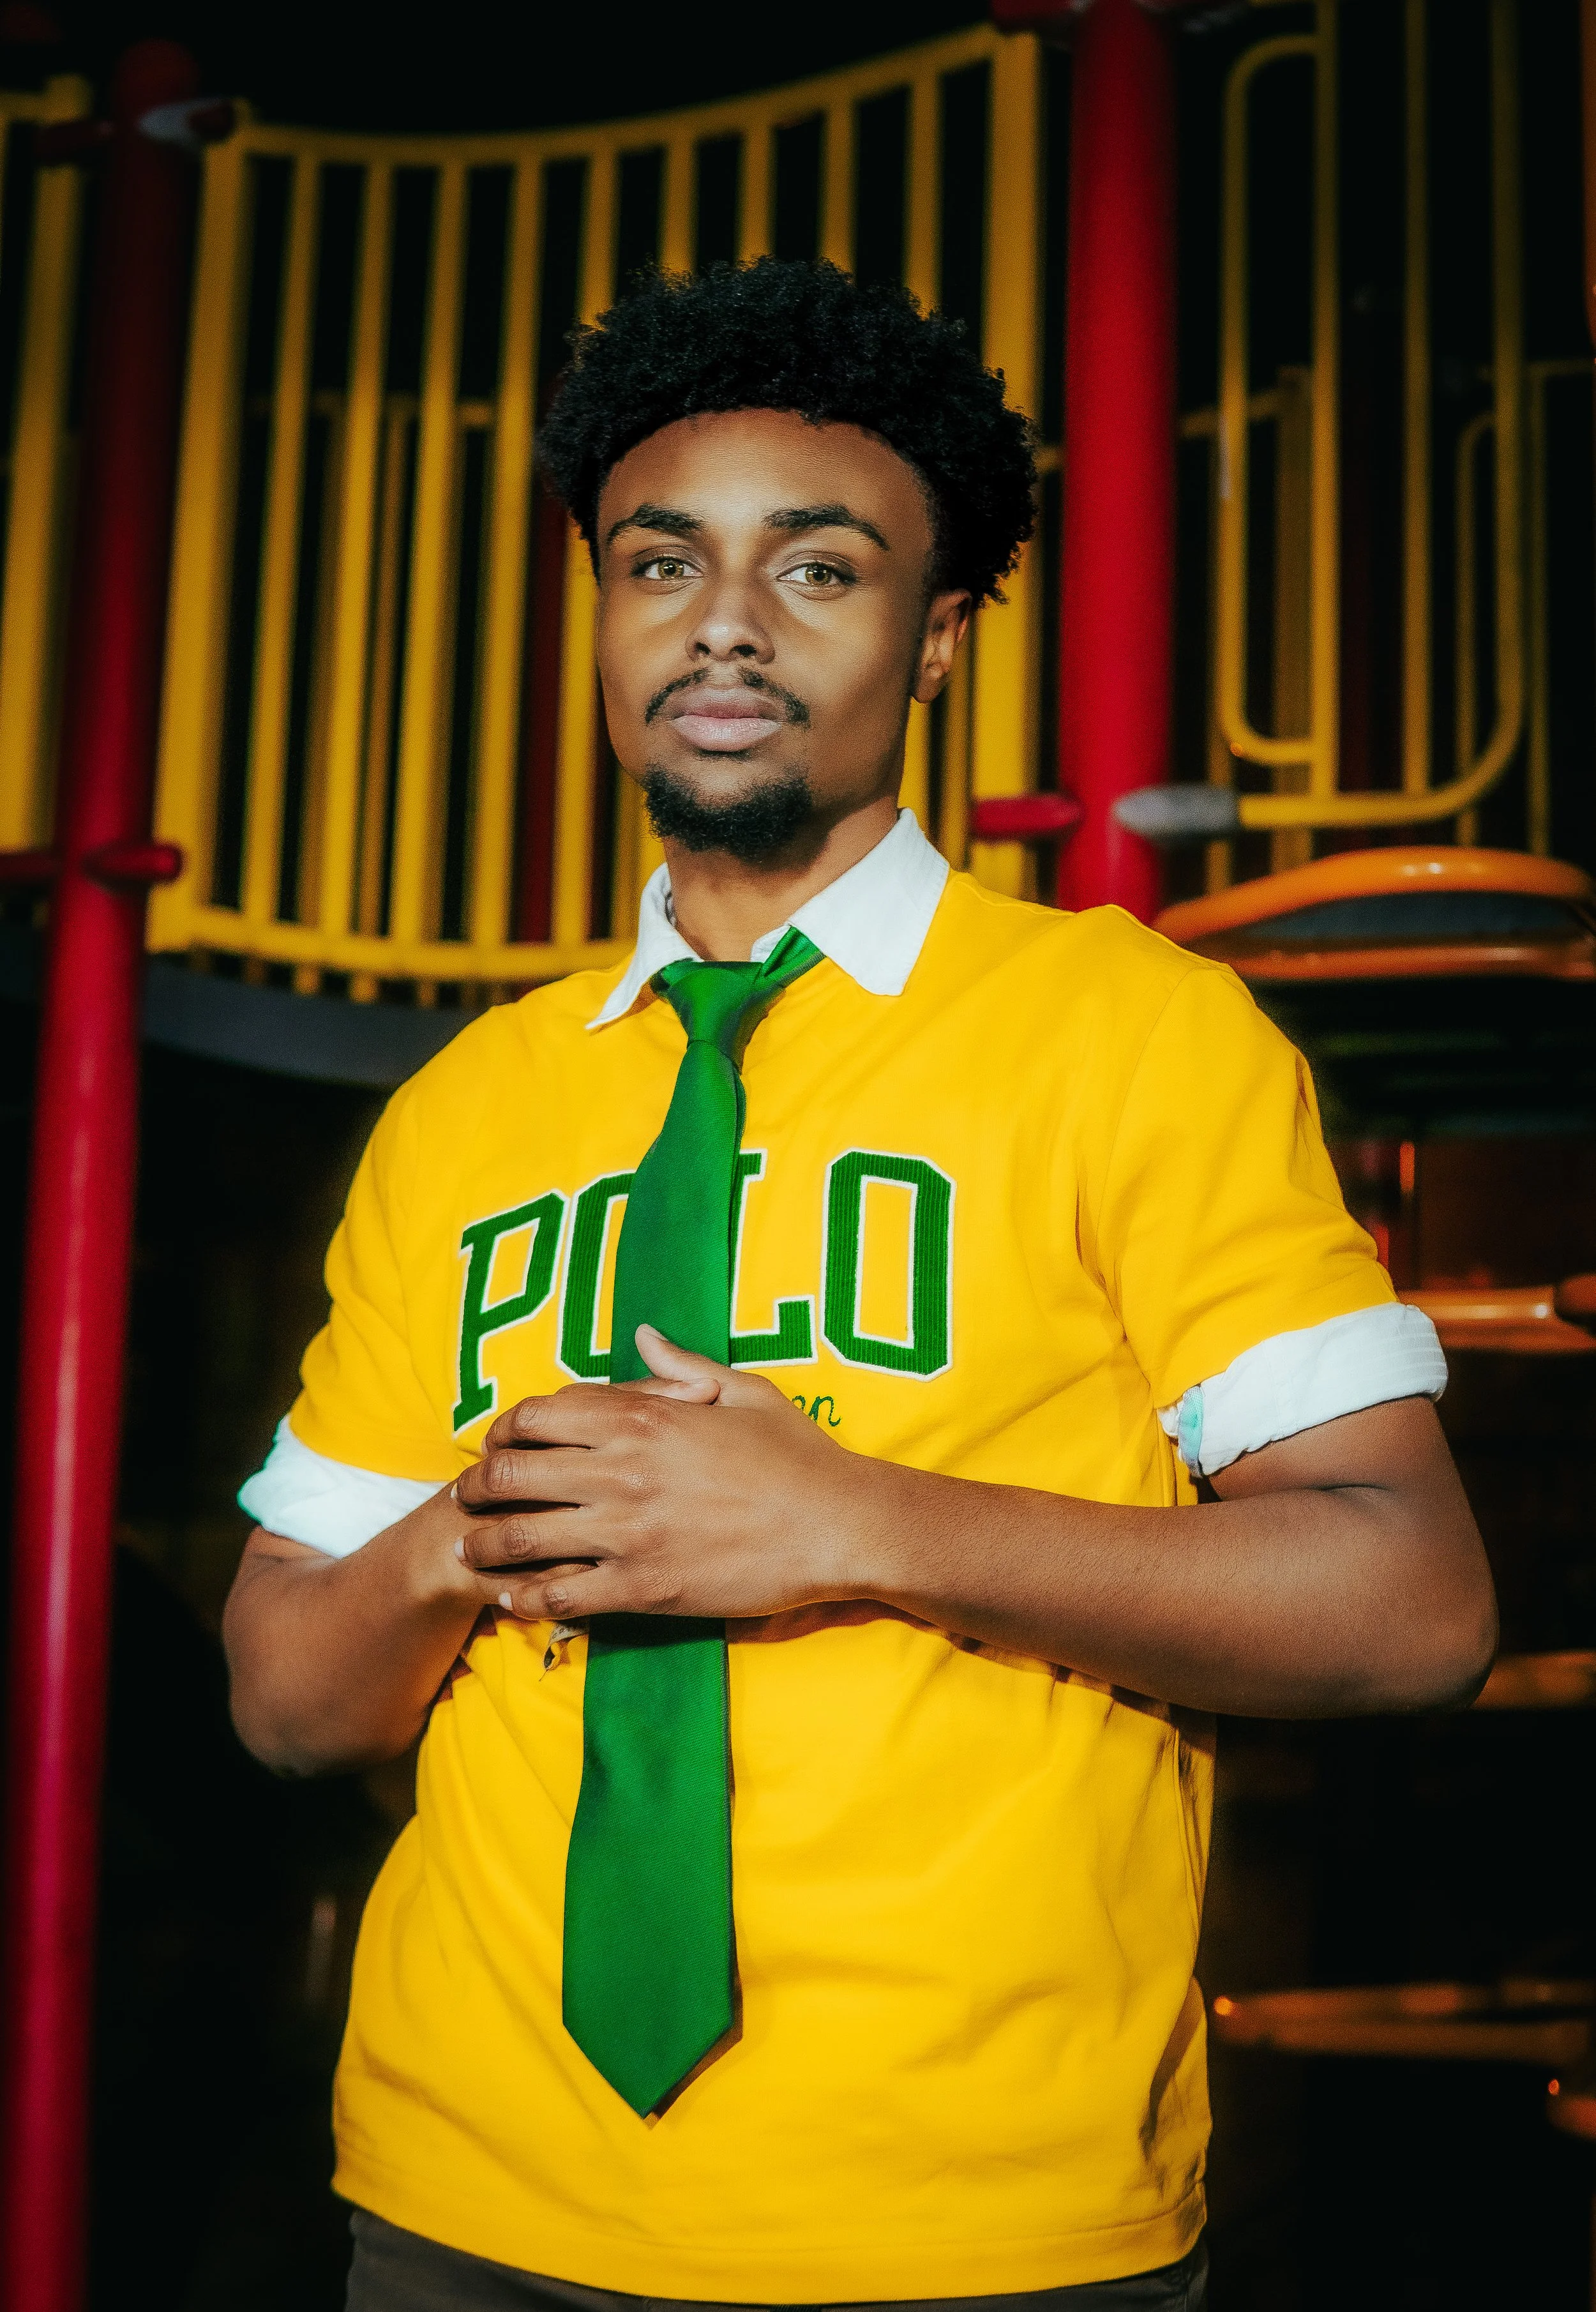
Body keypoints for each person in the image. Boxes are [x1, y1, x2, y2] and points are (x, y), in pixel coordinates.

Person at [223, 258, 1496, 2312]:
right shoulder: (464, 1101)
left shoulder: (1130, 1031)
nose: (723, 618)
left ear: (938, 638)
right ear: (608, 618)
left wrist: (848, 1520)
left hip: (980, 2233)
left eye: (819, 568)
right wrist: (474, 1529)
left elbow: (1410, 1605)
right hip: (455, 2209)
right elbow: (286, 1691)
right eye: (661, 559)